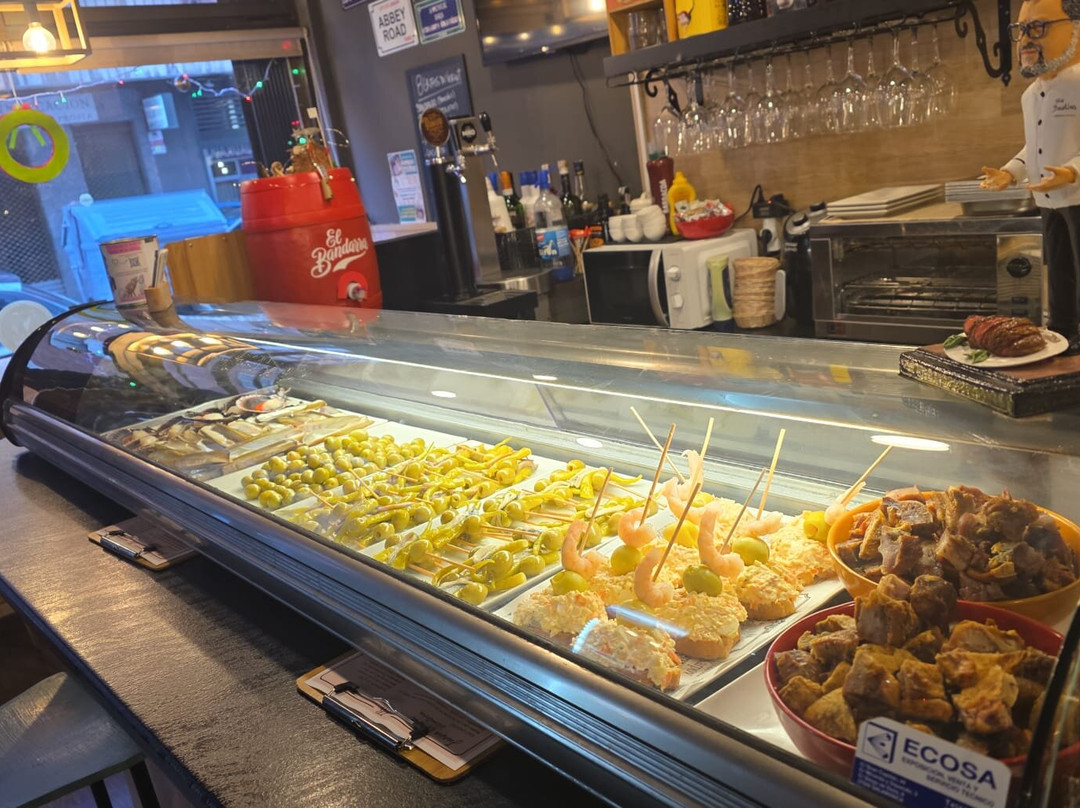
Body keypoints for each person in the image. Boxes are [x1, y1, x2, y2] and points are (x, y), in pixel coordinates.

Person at [982, 0, 1080, 351]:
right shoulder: (1030, 95)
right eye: (1021, 30)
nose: (1025, 39)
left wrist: (1072, 171)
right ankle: (1064, 331)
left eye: (1037, 28)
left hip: (1077, 195)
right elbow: (1033, 145)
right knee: (1058, 266)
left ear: (1076, 29)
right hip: (1047, 198)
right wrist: (1010, 172)